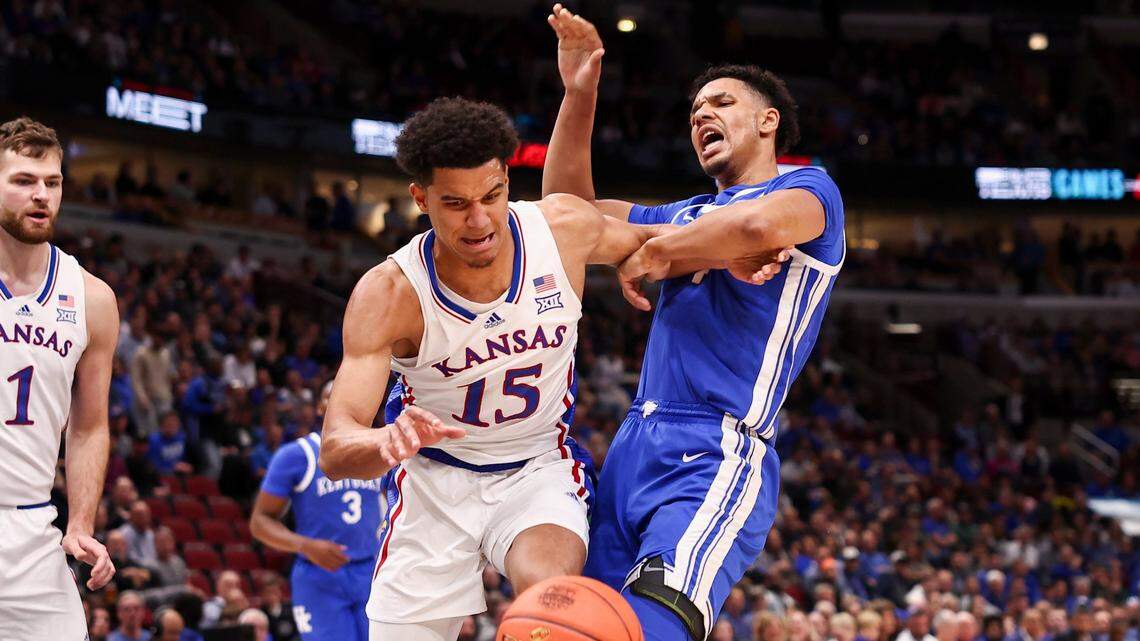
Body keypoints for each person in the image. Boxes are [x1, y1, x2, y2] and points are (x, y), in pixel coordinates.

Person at [319, 96, 687, 641]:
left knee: (554, 612)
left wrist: (748, 253)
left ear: (508, 181)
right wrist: (384, 443)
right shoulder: (390, 292)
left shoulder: (558, 231)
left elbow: (659, 244)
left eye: (492, 196)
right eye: (456, 204)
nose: (480, 220)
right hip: (433, 482)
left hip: (536, 469)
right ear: (421, 198)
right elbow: (335, 447)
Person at [544, 7, 845, 640]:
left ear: (767, 122)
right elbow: (564, 218)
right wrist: (579, 96)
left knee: (657, 617)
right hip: (633, 442)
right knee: (578, 622)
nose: (701, 114)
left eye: (721, 102)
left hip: (715, 446)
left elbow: (759, 228)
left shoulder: (812, 190)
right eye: (694, 111)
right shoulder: (684, 212)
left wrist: (658, 251)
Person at [0, 116, 118, 637]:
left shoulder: (92, 297)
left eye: (52, 182)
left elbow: (89, 425)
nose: (41, 194)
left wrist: (81, 523)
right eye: (23, 180)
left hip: (31, 530)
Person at [250, 382, 384, 641]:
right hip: (320, 576)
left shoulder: (378, 451)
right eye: (335, 397)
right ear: (321, 407)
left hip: (370, 572)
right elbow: (260, 522)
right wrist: (305, 545)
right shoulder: (296, 456)